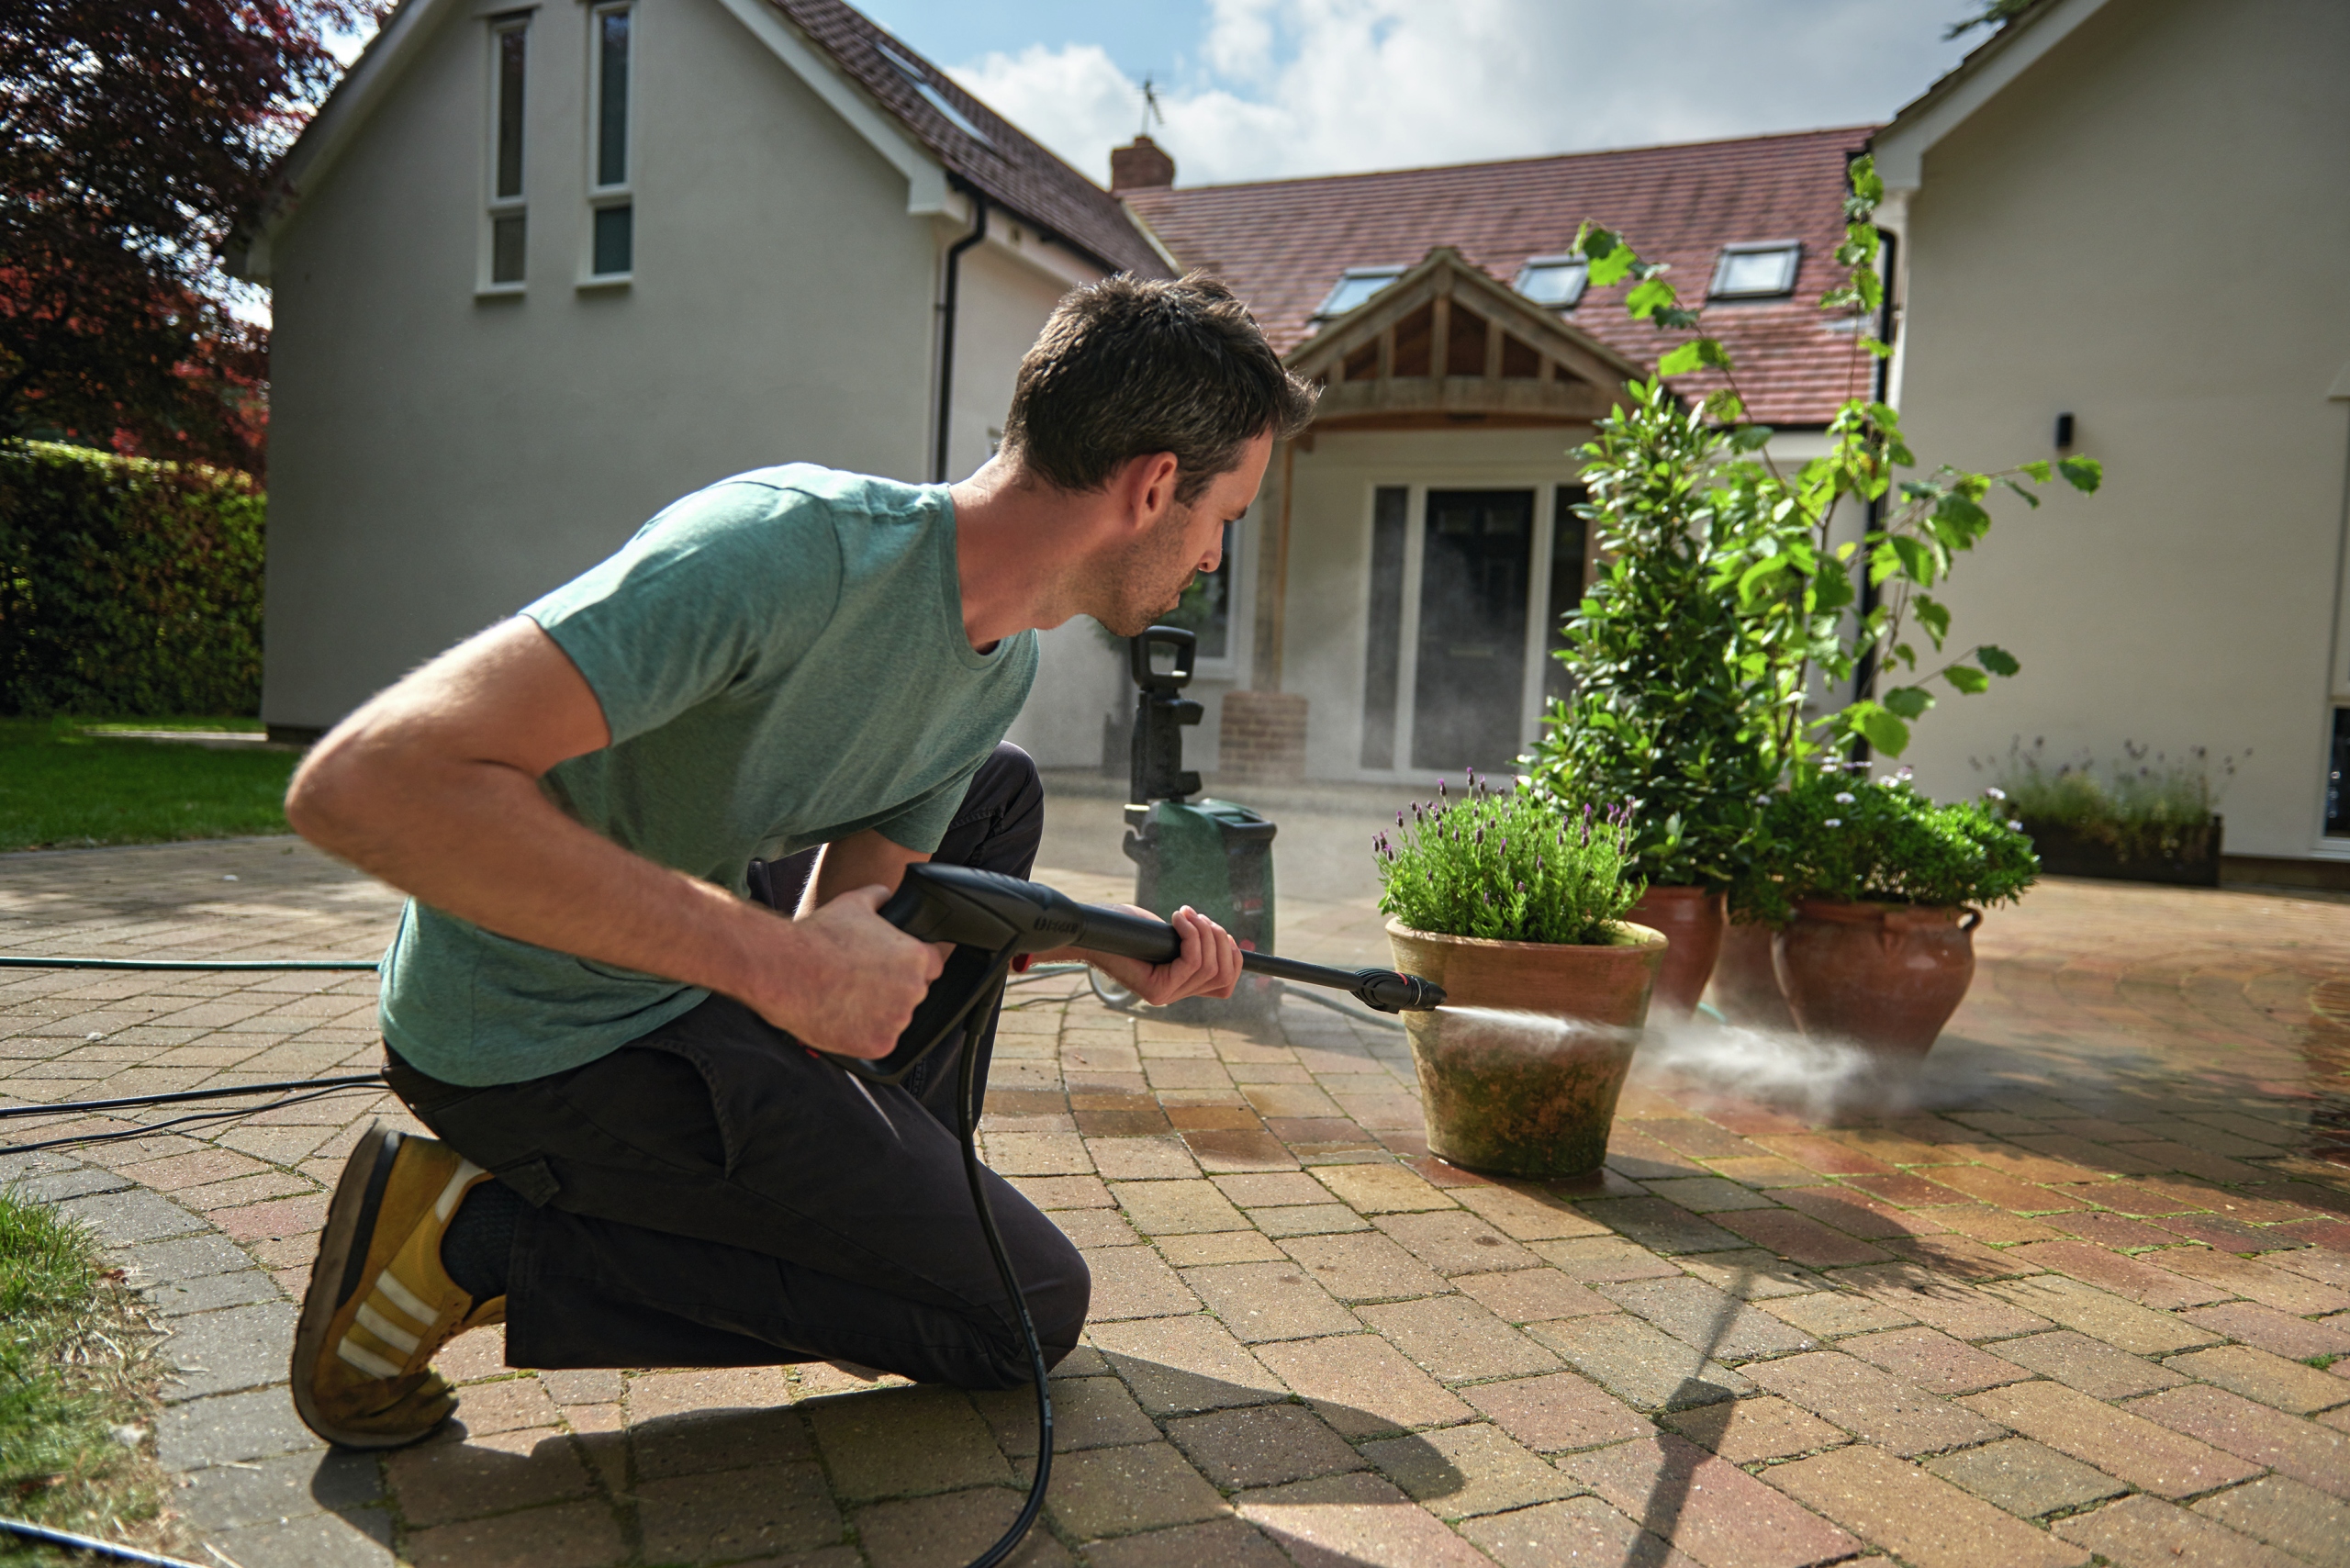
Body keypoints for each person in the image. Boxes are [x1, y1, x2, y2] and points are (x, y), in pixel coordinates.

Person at [280, 274, 1319, 1449]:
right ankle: (468, 1239)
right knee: (1017, 1313)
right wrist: (771, 963)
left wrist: (1086, 941)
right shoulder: (785, 553)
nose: (1215, 557)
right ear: (1154, 486)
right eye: (1226, 515)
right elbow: (368, 784)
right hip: (532, 1034)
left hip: (691, 962)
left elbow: (855, 927)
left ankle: (869, 1205)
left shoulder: (997, 665)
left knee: (996, 793)